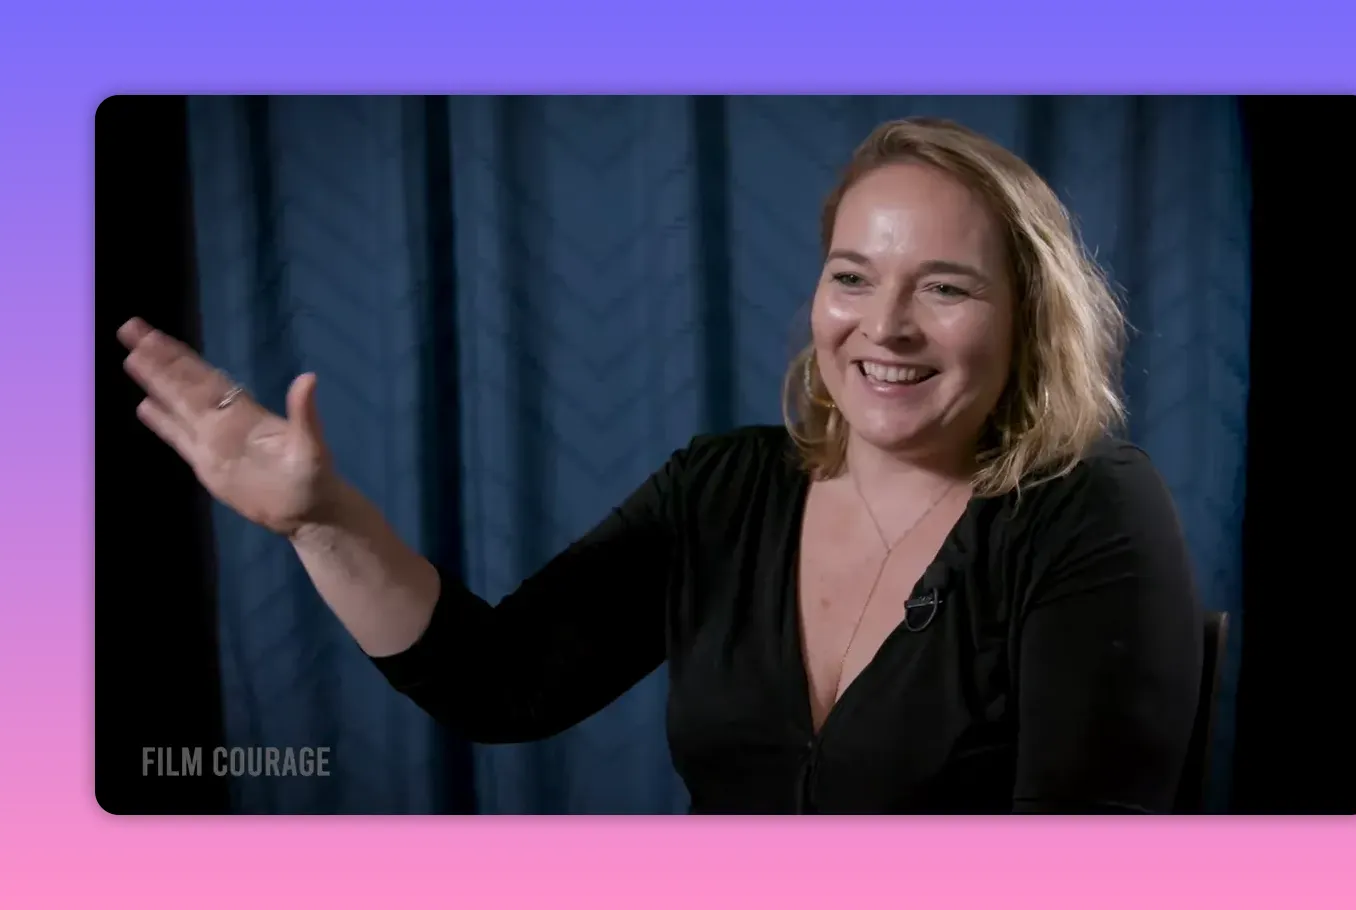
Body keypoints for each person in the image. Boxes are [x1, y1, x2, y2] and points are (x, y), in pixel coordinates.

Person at [119, 117, 1204, 814]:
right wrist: (323, 518)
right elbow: (505, 682)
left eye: (948, 287)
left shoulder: (1089, 509)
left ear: (1029, 317)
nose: (887, 326)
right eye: (852, 276)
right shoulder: (722, 488)